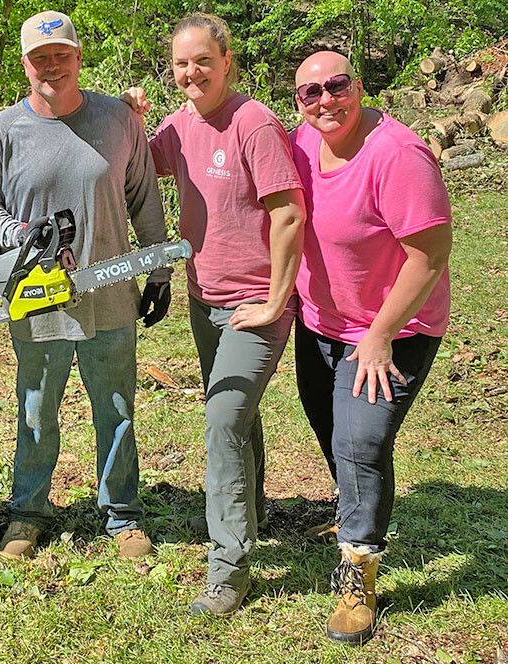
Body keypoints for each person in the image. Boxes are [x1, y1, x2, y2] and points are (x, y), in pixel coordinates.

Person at [0, 10, 171, 561]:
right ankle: (28, 513)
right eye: (40, 58)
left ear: (78, 57)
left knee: (116, 406)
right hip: (36, 298)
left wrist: (158, 270)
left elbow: (144, 200)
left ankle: (122, 514)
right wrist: (19, 235)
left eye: (62, 55)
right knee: (35, 407)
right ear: (26, 65)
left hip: (109, 290)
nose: (51, 66)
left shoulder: (119, 120)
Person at [124, 13, 306, 614]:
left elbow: (288, 215)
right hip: (206, 300)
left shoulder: (253, 124)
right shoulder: (179, 125)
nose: (191, 72)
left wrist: (278, 300)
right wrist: (131, 119)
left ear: (228, 61)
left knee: (222, 418)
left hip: (257, 303)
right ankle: (251, 514)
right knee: (236, 418)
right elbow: (138, 170)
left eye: (203, 60)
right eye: (181, 63)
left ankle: (228, 567)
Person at [290, 51, 451, 644]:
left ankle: (358, 571)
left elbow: (430, 255)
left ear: (360, 86)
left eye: (338, 86)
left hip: (394, 331)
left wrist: (380, 333)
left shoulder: (397, 154)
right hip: (320, 325)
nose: (326, 100)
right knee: (336, 435)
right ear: (298, 101)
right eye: (311, 92)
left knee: (360, 439)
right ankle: (358, 511)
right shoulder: (300, 144)